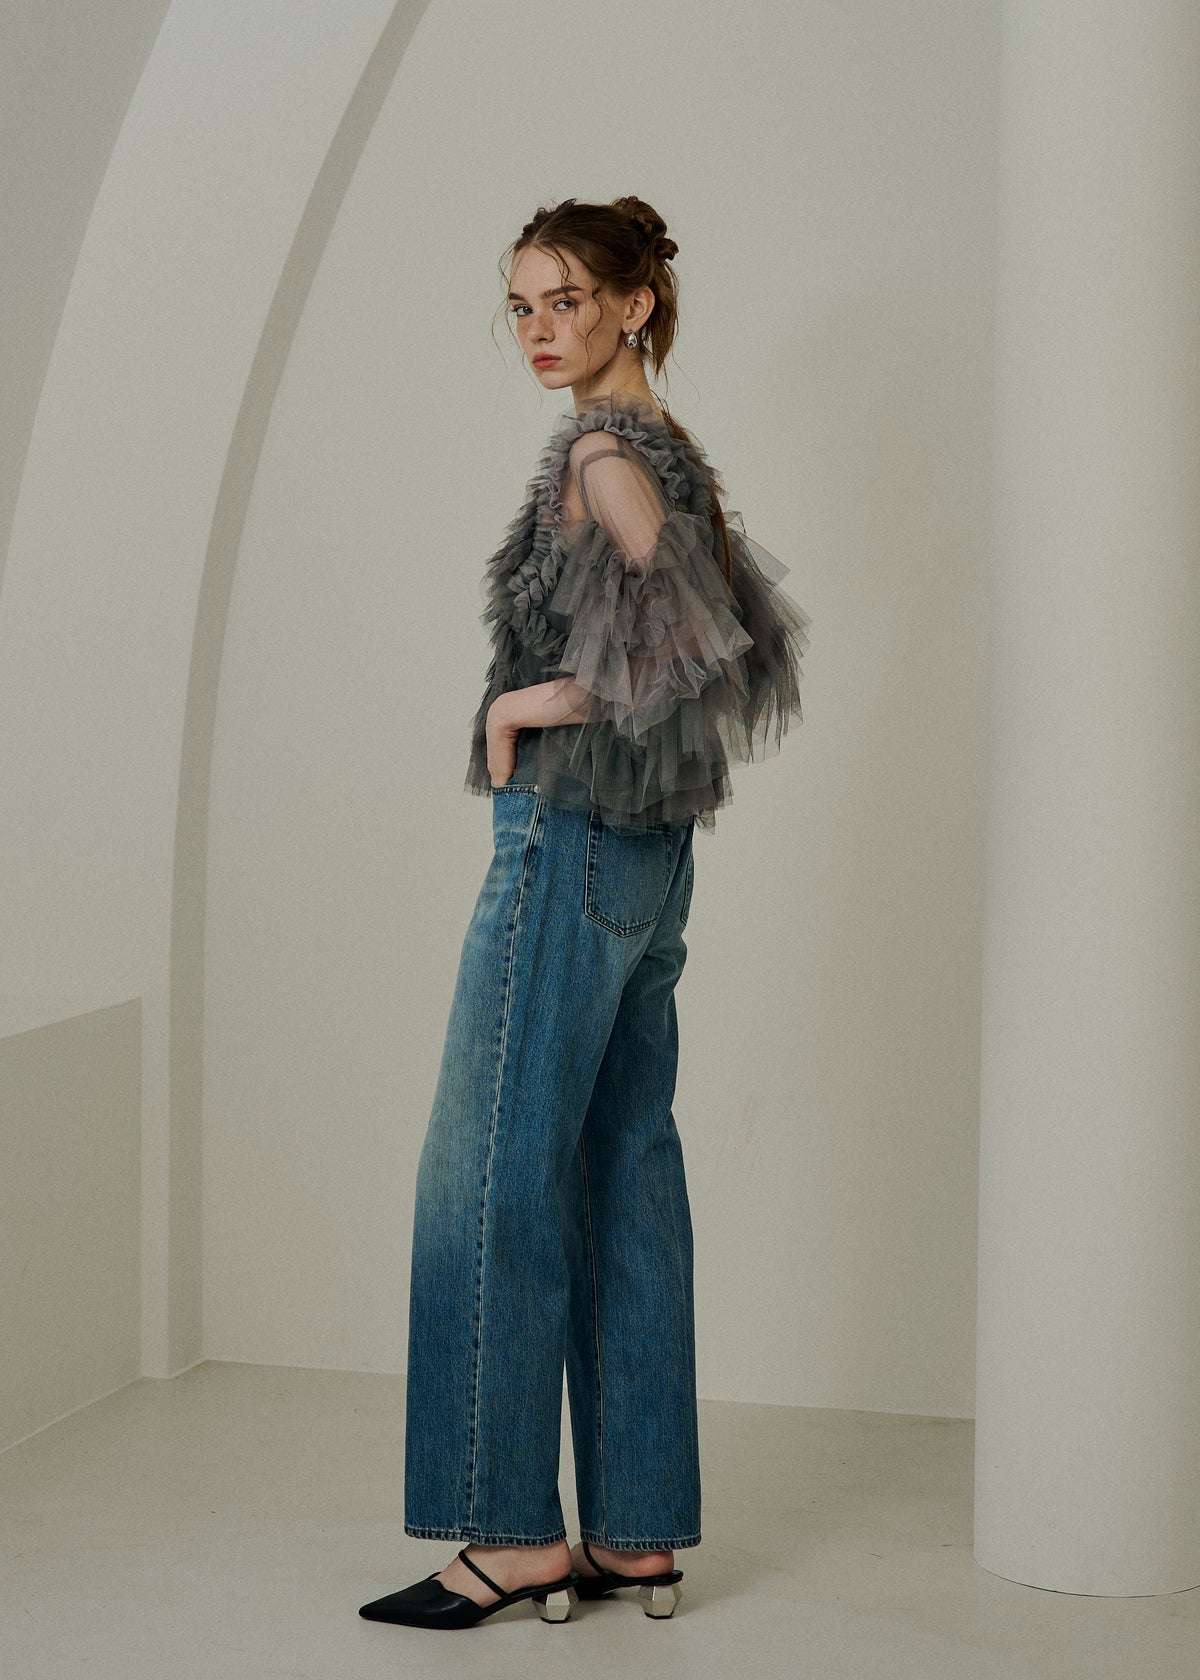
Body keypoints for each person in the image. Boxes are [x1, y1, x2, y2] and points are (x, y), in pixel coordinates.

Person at [359, 196, 811, 1632]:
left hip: (567, 839)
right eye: (521, 306)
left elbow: (686, 655)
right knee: (625, 1170)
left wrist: (518, 706)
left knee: (487, 1170)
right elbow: (733, 646)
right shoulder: (671, 451)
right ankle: (637, 1533)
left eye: (565, 300)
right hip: (649, 855)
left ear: (634, 303)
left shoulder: (605, 454)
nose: (539, 331)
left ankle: (508, 1534)